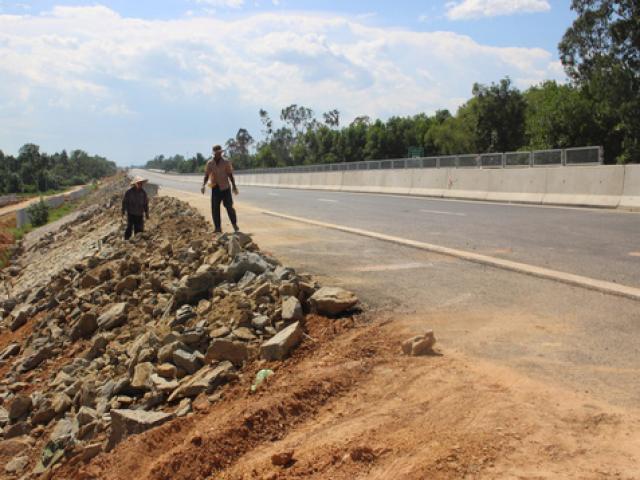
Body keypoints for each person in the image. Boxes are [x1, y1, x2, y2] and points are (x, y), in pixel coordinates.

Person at [201, 144, 239, 233]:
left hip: (225, 187)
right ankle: (217, 228)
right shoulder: (210, 163)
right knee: (215, 208)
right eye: (217, 153)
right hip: (215, 188)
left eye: (220, 152)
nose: (219, 154)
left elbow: (230, 174)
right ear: (214, 153)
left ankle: (234, 224)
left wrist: (234, 185)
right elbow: (206, 175)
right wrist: (203, 185)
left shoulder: (226, 162)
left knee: (229, 207)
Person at [122, 176, 149, 240]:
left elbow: (145, 204)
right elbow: (124, 202)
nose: (140, 185)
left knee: (139, 229)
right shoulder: (129, 192)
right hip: (131, 213)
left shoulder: (143, 193)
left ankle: (137, 242)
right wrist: (123, 211)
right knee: (129, 227)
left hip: (139, 214)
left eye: (141, 183)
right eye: (138, 183)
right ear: (135, 184)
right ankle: (126, 240)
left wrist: (146, 213)